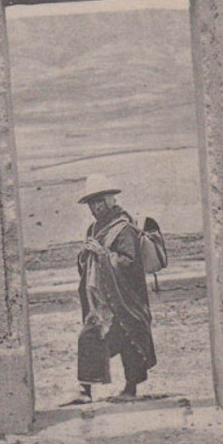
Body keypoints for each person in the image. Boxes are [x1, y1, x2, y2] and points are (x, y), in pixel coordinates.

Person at [66, 173, 156, 405]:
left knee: (129, 338)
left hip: (125, 298)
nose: (95, 208)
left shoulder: (123, 229)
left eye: (99, 201)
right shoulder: (93, 229)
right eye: (91, 203)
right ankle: (85, 389)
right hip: (100, 297)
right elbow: (87, 264)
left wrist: (103, 255)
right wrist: (86, 255)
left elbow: (129, 262)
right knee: (90, 335)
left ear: (110, 200)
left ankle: (130, 387)